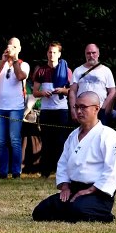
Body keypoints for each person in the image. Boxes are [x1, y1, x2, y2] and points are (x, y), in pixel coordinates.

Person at [32, 91, 116, 223]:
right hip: (74, 189)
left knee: (78, 210)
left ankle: (103, 214)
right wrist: (65, 186)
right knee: (40, 211)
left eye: (83, 107)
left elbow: (114, 170)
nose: (79, 111)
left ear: (96, 109)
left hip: (98, 192)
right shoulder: (73, 135)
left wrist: (91, 190)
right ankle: (72, 210)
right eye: (76, 107)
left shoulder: (108, 135)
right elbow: (63, 163)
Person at [0, 37, 30, 179]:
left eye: (13, 46)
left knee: (15, 140)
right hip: (0, 107)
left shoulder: (24, 65)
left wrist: (15, 60)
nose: (10, 49)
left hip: (16, 108)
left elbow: (20, 76)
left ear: (18, 49)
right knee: (1, 141)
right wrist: (3, 60)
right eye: (8, 46)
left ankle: (16, 172)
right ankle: (2, 171)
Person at [32, 41, 73, 179]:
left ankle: (61, 172)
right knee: (47, 141)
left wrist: (63, 90)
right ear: (47, 53)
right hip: (46, 110)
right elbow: (35, 92)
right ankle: (45, 172)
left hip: (61, 110)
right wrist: (43, 93)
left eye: (54, 52)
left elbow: (72, 90)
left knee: (61, 141)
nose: (52, 55)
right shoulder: (41, 71)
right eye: (50, 52)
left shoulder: (66, 70)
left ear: (59, 54)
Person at [68, 43, 116, 125]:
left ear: (98, 53)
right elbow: (72, 92)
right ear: (85, 54)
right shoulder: (78, 71)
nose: (91, 55)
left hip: (99, 111)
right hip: (82, 111)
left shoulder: (106, 71)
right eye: (88, 53)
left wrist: (103, 108)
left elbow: (112, 91)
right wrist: (73, 110)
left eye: (93, 53)